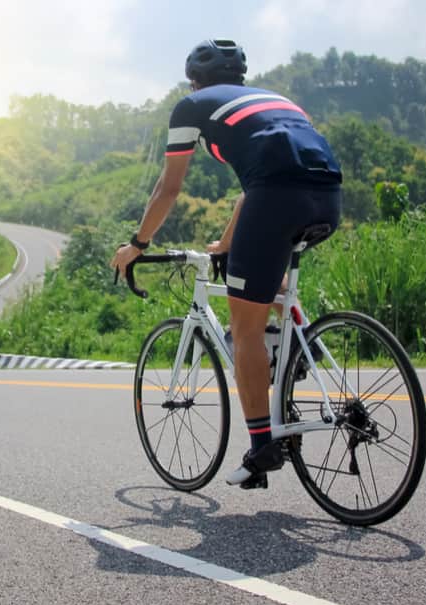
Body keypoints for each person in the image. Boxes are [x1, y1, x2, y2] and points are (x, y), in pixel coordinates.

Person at [110, 39, 342, 488]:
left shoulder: (192, 106)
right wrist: (226, 244)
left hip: (275, 196)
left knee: (244, 328)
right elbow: (253, 188)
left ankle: (262, 448)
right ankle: (300, 343)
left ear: (194, 81)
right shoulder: (274, 101)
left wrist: (138, 244)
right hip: (327, 195)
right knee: (262, 278)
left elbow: (168, 188)